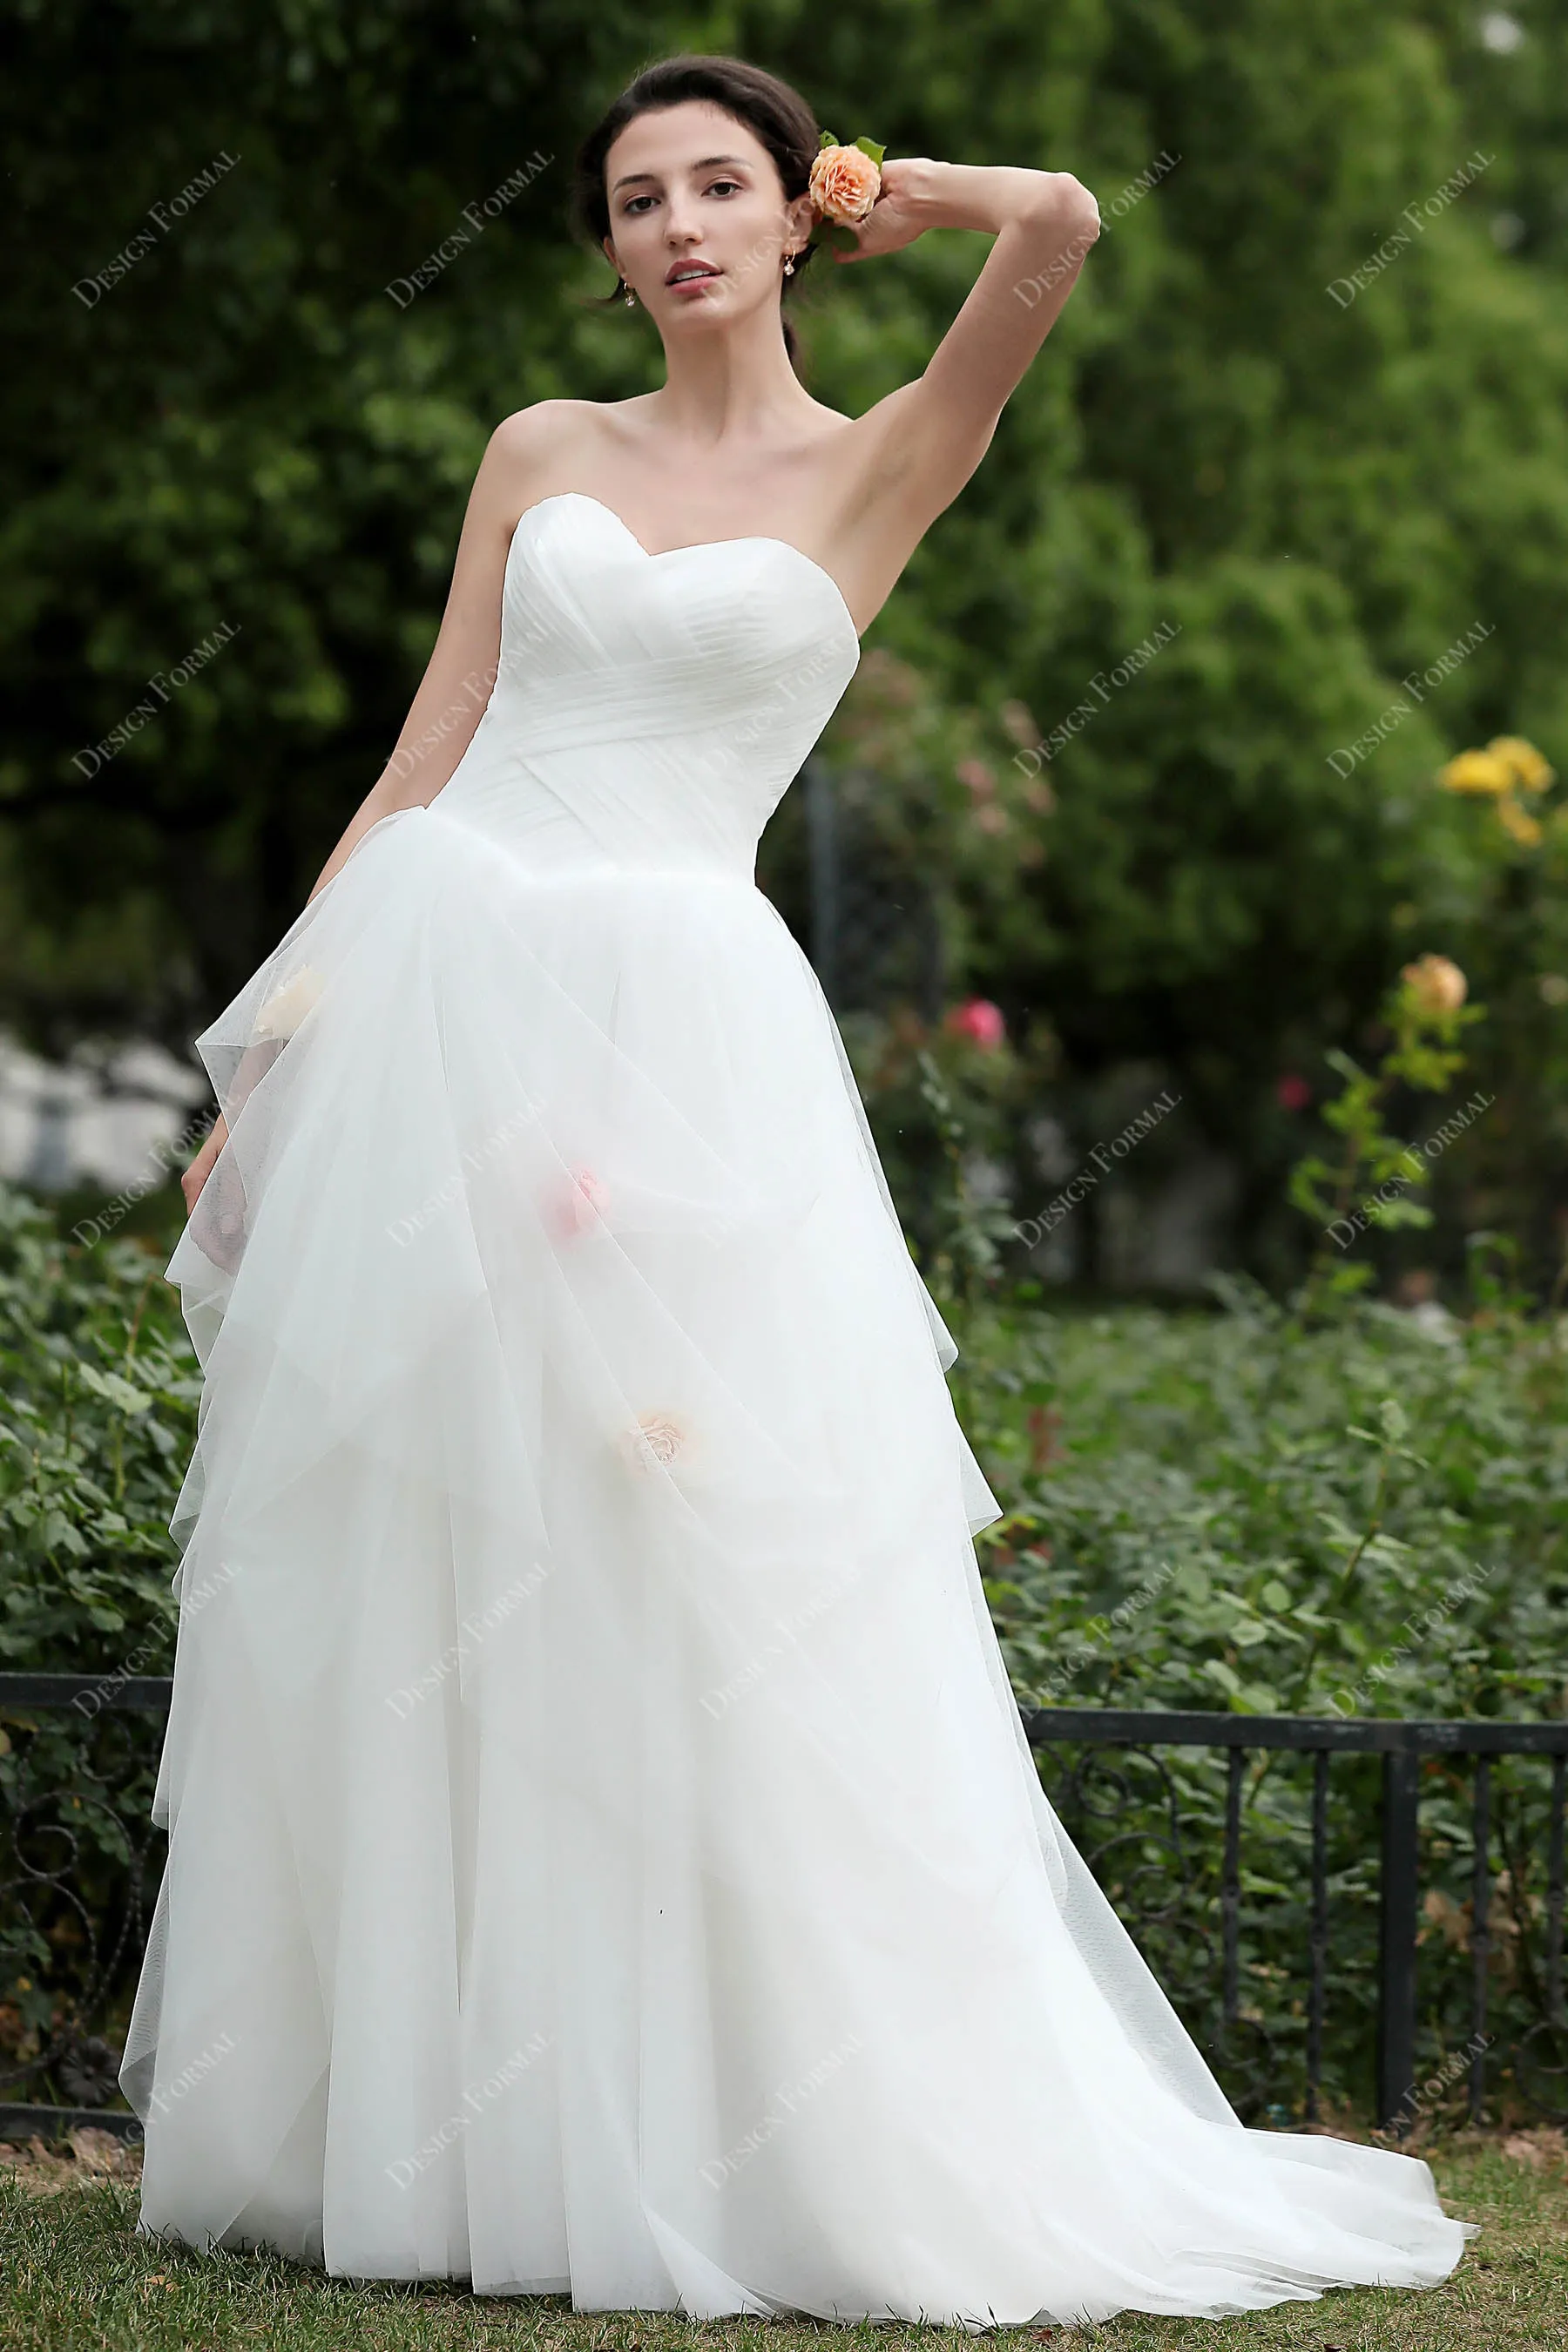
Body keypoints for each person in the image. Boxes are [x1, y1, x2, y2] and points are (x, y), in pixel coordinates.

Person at [118, 50, 1476, 2326]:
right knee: (436, 1540)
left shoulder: (883, 462)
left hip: (680, 1042)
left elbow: (1058, 225)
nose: (673, 228)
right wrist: (277, 1065)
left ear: (780, 213)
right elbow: (422, 752)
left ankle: (716, 2121)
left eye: (717, 187)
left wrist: (892, 188)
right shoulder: (536, 456)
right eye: (638, 198)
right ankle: (430, 2135)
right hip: (443, 992)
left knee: (693, 1548)